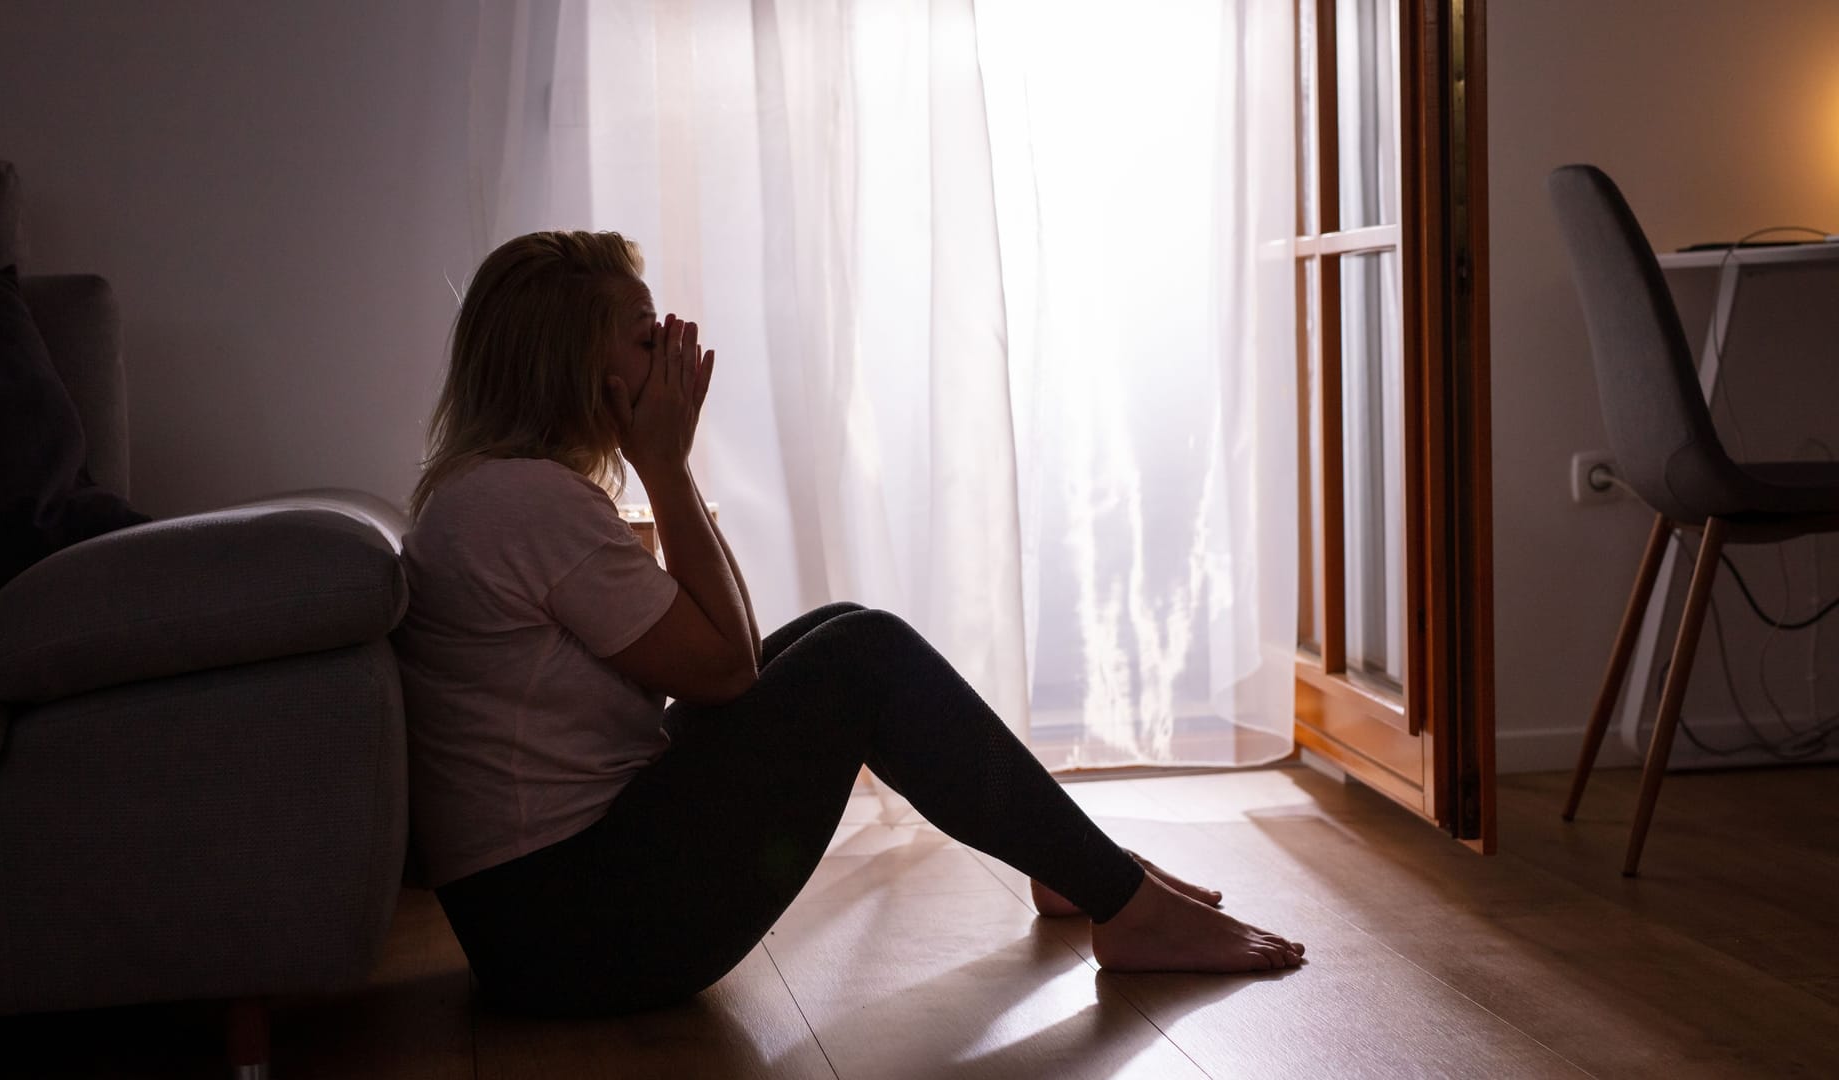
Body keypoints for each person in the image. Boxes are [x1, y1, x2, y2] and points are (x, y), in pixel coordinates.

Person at [392, 230, 1305, 1018]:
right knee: (862, 658)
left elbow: (733, 653)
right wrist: (665, 469)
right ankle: (1120, 900)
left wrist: (667, 468)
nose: (675, 347)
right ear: (578, 370)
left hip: (549, 923)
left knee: (839, 629)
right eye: (645, 336)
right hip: (575, 936)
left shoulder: (499, 495)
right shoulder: (523, 505)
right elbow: (723, 670)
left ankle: (1077, 866)